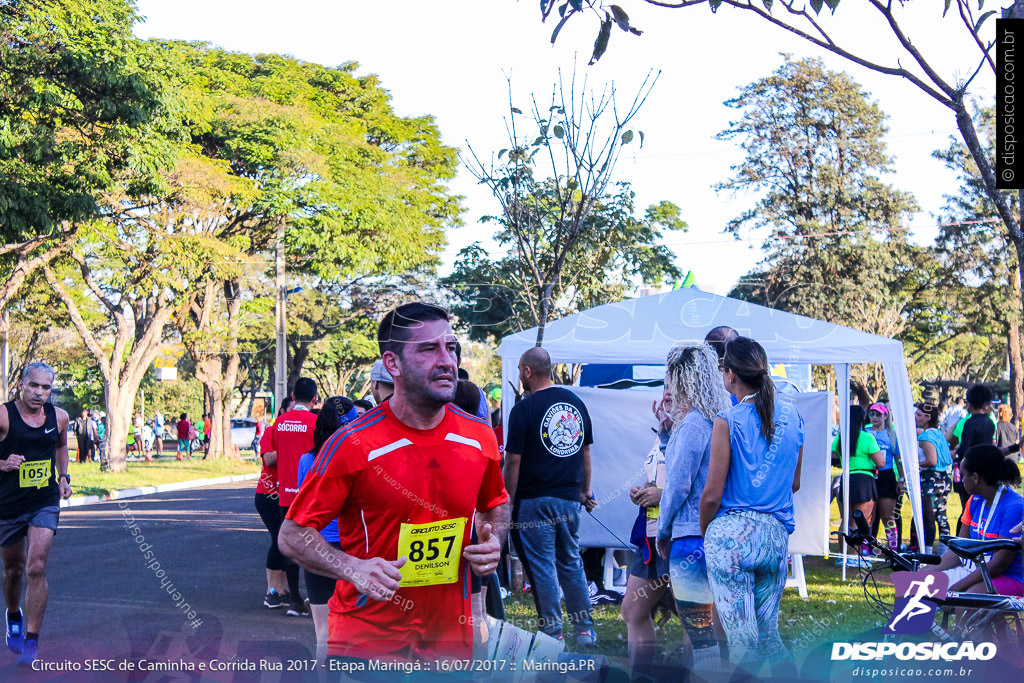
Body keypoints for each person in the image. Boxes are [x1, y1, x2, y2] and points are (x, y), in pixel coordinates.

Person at [279, 302, 508, 662]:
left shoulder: (479, 437)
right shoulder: (352, 443)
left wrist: (493, 541)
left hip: (450, 643)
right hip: (369, 645)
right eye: (429, 349)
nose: (447, 360)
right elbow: (293, 534)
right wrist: (351, 568)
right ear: (392, 364)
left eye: (451, 347)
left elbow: (496, 503)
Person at [700, 337, 804, 670]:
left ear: (730, 375)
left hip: (731, 536)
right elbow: (795, 483)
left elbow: (712, 495)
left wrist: (708, 534)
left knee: (742, 642)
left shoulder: (727, 420)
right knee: (769, 637)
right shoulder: (794, 416)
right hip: (775, 537)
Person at [505, 346, 597, 645]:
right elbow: (585, 451)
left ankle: (552, 633)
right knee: (570, 561)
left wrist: (507, 500)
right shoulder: (574, 402)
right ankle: (584, 631)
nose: (519, 375)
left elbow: (513, 460)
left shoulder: (524, 409)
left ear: (528, 371)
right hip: (569, 499)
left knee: (543, 566)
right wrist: (585, 490)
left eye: (520, 370)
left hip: (534, 501)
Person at [651, 345, 732, 672]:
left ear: (681, 378)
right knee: (720, 632)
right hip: (719, 534)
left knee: (700, 638)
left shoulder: (695, 423)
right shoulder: (721, 420)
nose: (667, 386)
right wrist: (667, 434)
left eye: (670, 378)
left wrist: (663, 529)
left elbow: (678, 484)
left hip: (690, 537)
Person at [0, 362, 73, 667]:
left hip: (43, 501)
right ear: (21, 384)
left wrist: (64, 477)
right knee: (14, 570)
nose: (40, 393)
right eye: (34, 386)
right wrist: (2, 463)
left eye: (46, 388)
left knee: (36, 566)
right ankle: (14, 614)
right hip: (7, 504)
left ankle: (32, 640)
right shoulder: (4, 415)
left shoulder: (59, 417)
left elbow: (61, 446)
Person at [294, 399, 353, 667]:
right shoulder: (356, 460)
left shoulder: (307, 460)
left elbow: (302, 509)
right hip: (351, 551)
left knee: (323, 636)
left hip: (317, 550)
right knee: (356, 632)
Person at [919, 444, 1022, 597]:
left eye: (962, 475)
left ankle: (953, 621)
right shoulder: (974, 501)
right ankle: (923, 622)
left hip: (1009, 577)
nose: (960, 481)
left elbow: (999, 565)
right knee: (911, 584)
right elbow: (958, 550)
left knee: (970, 598)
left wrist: (956, 588)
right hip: (977, 571)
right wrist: (923, 572)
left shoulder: (1014, 506)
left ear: (975, 477)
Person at [267, 378, 320, 617]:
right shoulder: (316, 422)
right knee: (314, 546)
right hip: (310, 495)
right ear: (314, 399)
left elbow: (277, 454)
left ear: (292, 395)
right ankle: (316, 597)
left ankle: (295, 601)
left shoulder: (279, 423)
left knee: (289, 547)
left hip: (284, 496)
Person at [256, 398, 291, 609]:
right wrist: (293, 449)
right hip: (269, 495)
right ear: (282, 411)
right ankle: (271, 591)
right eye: (289, 411)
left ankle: (285, 589)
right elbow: (269, 459)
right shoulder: (272, 431)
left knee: (287, 543)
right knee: (278, 540)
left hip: (288, 494)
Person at [831, 405, 884, 540]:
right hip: (864, 480)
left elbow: (833, 457)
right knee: (860, 521)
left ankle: (842, 557)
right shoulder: (867, 438)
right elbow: (881, 462)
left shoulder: (840, 438)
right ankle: (853, 558)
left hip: (847, 477)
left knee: (846, 520)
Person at [951, 385, 995, 534]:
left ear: (970, 403)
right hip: (986, 471)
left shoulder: (969, 423)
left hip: (970, 470)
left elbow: (965, 449)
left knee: (966, 511)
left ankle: (960, 540)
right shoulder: (989, 422)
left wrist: (957, 452)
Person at [911, 402, 953, 553]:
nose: (915, 417)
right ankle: (943, 554)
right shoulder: (938, 433)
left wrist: (914, 465)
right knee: (941, 516)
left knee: (928, 517)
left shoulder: (926, 436)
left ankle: (927, 554)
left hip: (931, 480)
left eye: (919, 415)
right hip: (944, 479)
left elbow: (931, 461)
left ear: (928, 418)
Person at [865, 403, 904, 551]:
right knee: (869, 515)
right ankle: (866, 548)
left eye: (878, 414)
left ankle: (893, 549)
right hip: (869, 474)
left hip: (886, 476)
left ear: (886, 416)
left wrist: (901, 479)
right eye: (872, 414)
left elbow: (898, 459)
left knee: (888, 515)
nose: (874, 418)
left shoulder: (892, 434)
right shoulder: (866, 431)